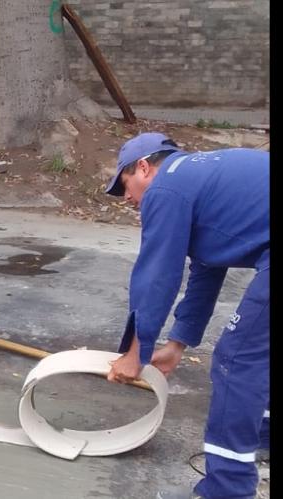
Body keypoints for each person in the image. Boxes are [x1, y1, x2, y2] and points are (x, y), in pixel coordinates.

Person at [104, 132, 269, 499]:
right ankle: (262, 436)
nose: (128, 199)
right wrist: (178, 343)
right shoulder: (200, 181)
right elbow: (207, 267)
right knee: (259, 349)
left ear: (145, 167)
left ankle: (227, 489)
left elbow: (156, 275)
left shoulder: (166, 189)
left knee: (237, 358)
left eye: (126, 185)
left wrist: (136, 354)